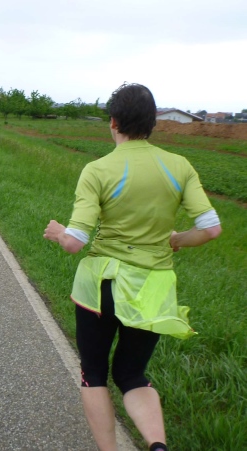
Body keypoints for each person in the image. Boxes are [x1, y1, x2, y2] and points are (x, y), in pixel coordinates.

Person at [43, 83, 221, 451]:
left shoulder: (98, 169)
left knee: (94, 373)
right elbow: (211, 229)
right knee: (132, 374)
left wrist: (58, 232)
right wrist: (177, 239)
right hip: (152, 288)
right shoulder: (179, 166)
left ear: (113, 121)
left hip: (102, 287)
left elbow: (75, 242)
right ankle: (157, 446)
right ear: (152, 122)